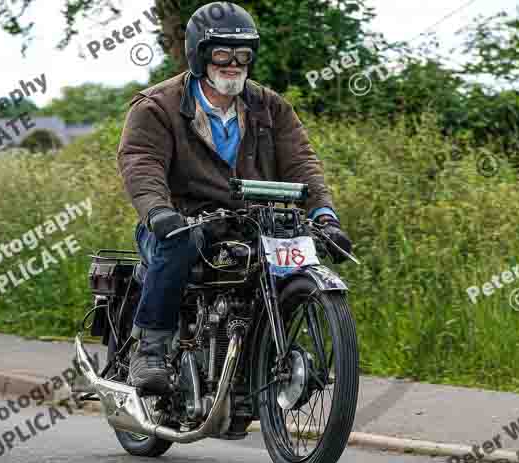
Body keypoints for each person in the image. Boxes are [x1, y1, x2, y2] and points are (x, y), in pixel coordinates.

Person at [117, 2, 352, 394]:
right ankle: (151, 349)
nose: (233, 64)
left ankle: (256, 355)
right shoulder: (157, 106)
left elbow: (302, 163)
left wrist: (326, 216)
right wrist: (158, 211)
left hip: (250, 222)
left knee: (291, 252)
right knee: (179, 244)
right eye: (222, 54)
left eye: (242, 55)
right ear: (199, 54)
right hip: (182, 220)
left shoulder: (270, 106)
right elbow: (141, 162)